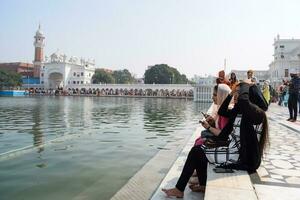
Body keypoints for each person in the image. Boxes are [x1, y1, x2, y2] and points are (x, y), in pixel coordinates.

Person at [162, 81, 269, 198]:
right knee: (199, 151)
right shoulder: (239, 112)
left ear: (249, 95)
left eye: (240, 93)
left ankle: (179, 189)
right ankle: (202, 185)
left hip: (241, 157)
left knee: (197, 152)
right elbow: (222, 111)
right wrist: (230, 94)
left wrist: (245, 86)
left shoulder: (258, 115)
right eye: (236, 93)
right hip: (234, 150)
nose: (236, 96)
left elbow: (244, 102)